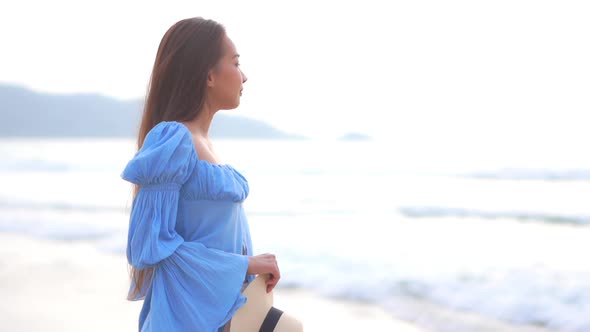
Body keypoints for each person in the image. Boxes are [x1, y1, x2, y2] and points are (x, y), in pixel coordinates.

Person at [120, 17, 280, 332]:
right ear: (209, 75)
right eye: (235, 63)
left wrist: (250, 273)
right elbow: (147, 245)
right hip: (187, 320)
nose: (244, 76)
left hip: (219, 313)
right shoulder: (174, 139)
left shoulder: (203, 145)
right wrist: (244, 265)